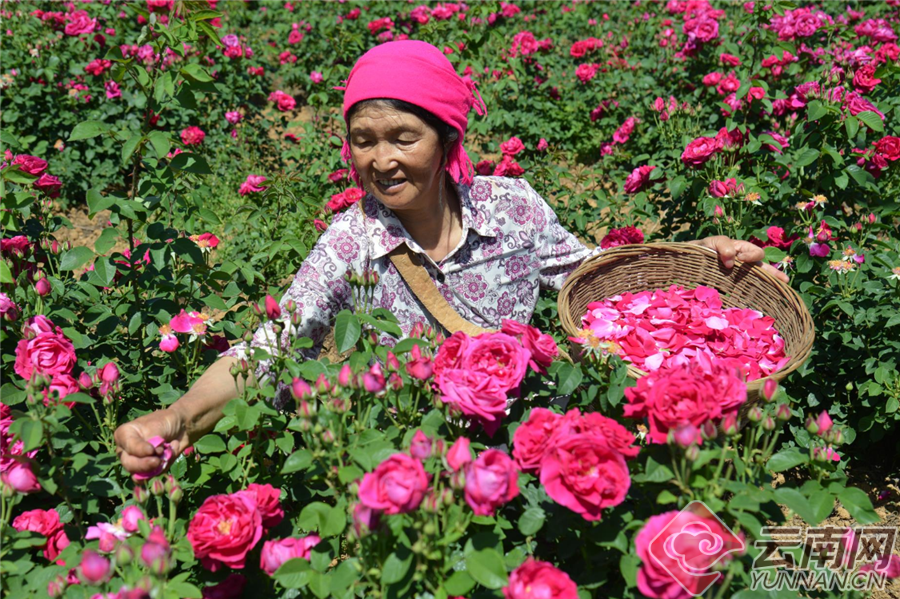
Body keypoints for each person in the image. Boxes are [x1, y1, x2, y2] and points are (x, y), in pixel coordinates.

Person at [116, 40, 789, 475]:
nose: (381, 159)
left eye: (403, 137)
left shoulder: (512, 209)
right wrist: (176, 416)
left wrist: (701, 261)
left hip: (522, 451)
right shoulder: (352, 243)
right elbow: (272, 345)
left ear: (444, 137)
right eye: (363, 139)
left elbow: (601, 288)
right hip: (407, 462)